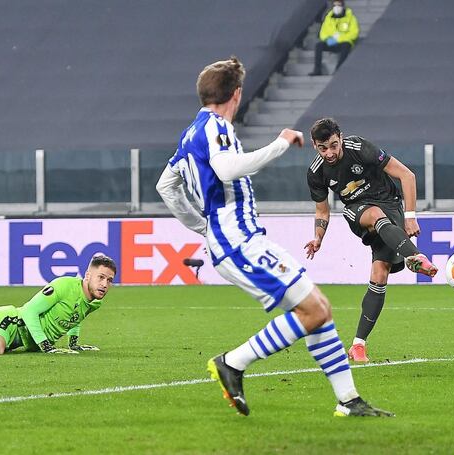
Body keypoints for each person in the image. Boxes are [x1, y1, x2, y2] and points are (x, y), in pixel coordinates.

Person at [156, 57, 391, 417]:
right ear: (236, 95)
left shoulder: (191, 133)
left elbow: (166, 185)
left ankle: (349, 400)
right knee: (313, 309)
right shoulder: (215, 128)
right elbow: (225, 168)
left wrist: (202, 226)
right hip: (237, 240)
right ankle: (232, 362)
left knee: (319, 310)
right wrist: (280, 144)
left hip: (239, 238)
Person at [304, 118, 438, 363]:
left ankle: (357, 345)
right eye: (323, 148)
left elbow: (407, 176)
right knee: (375, 215)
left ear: (340, 138)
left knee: (380, 274)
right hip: (357, 210)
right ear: (314, 146)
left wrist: (410, 217)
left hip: (390, 205)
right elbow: (322, 211)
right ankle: (415, 256)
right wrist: (318, 237)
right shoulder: (316, 172)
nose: (330, 153)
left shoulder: (361, 148)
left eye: (334, 145)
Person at [310, 0, 359, 76]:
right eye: (335, 5)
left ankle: (338, 70)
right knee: (319, 45)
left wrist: (338, 38)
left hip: (344, 43)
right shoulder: (328, 18)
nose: (337, 7)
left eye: (339, 5)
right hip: (332, 42)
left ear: (343, 6)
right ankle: (317, 70)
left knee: (346, 45)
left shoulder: (350, 17)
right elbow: (323, 33)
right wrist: (331, 39)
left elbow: (354, 33)